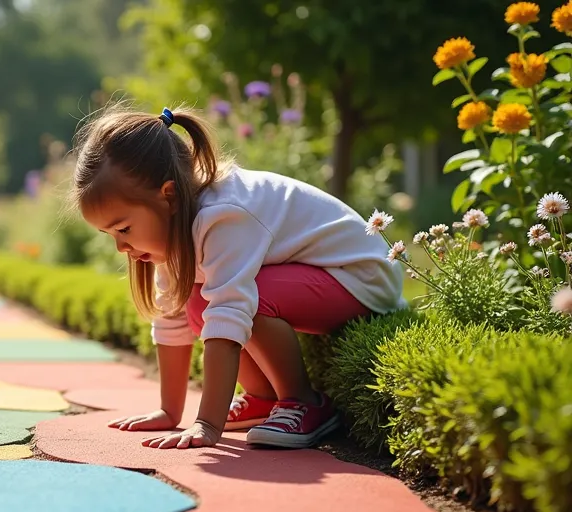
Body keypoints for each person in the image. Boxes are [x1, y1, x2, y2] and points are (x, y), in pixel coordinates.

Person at [71, 105, 405, 449]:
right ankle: (262, 397)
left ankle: (305, 403)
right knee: (197, 303)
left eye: (124, 229)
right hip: (314, 277)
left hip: (358, 277)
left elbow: (230, 313)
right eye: (110, 234)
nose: (120, 247)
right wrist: (169, 412)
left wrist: (206, 424)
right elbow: (172, 315)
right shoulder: (171, 227)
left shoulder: (223, 215)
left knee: (244, 300)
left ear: (168, 196)